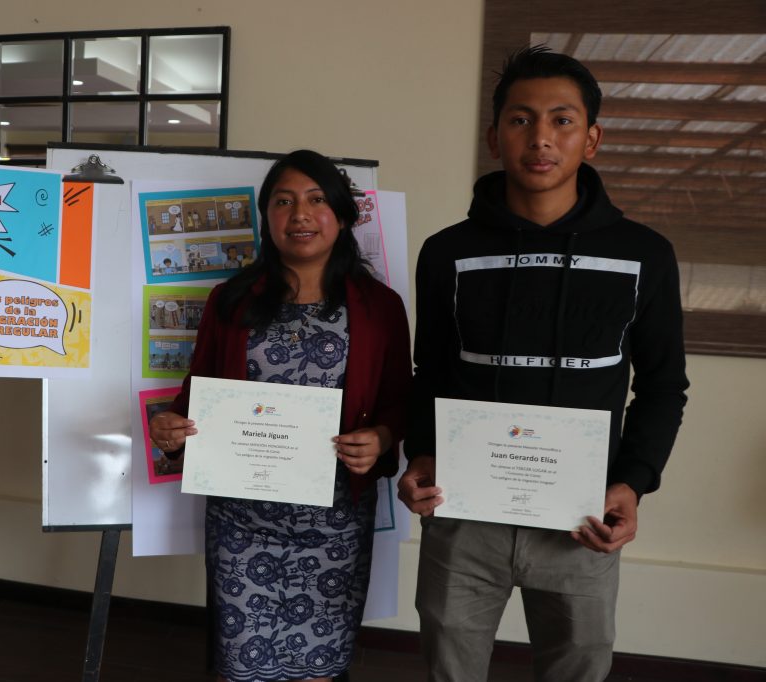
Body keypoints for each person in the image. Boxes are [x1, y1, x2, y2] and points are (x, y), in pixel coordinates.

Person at [397, 46, 689, 682]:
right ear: (494, 136)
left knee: (577, 668)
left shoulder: (645, 254)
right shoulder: (447, 252)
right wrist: (419, 453)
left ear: (592, 138)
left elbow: (664, 385)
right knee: (448, 668)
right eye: (521, 119)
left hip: (582, 519)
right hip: (465, 513)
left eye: (562, 120)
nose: (541, 138)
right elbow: (430, 372)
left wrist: (632, 483)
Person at [150, 149, 411, 682]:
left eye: (316, 200)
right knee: (243, 666)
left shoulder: (380, 307)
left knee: (318, 667)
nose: (300, 215)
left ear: (342, 215)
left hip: (336, 522)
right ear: (266, 217)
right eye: (284, 202)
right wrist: (171, 431)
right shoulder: (229, 300)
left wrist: (382, 438)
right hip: (241, 522)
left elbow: (398, 401)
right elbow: (197, 393)